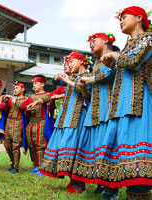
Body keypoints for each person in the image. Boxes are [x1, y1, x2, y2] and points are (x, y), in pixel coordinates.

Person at [97, 6, 152, 199]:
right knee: (117, 145)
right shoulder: (128, 45)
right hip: (121, 101)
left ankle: (137, 192)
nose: (120, 21)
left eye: (124, 17)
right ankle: (111, 191)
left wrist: (114, 55)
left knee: (135, 145)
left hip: (139, 101)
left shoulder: (149, 39)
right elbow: (123, 69)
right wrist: (111, 64)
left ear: (139, 18)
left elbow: (134, 61)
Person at [70, 33, 116, 199]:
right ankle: (101, 183)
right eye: (89, 43)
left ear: (106, 41)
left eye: (93, 41)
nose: (91, 44)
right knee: (95, 148)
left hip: (108, 110)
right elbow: (89, 96)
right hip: (94, 112)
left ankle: (111, 188)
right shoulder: (96, 63)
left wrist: (89, 80)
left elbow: (111, 74)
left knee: (108, 149)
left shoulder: (112, 58)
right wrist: (83, 87)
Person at [40, 51, 91, 194]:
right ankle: (72, 181)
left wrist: (68, 80)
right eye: (67, 63)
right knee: (64, 146)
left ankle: (79, 185)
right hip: (66, 116)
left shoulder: (87, 76)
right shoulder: (73, 77)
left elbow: (84, 91)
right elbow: (55, 82)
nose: (69, 65)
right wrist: (59, 77)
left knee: (74, 148)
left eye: (71, 61)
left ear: (81, 61)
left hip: (78, 116)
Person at [1, 82, 28, 174]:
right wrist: (5, 102)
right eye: (15, 88)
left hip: (18, 123)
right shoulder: (12, 100)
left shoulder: (26, 100)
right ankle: (13, 161)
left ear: (23, 89)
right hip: (9, 122)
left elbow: (22, 107)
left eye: (17, 88)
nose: (15, 90)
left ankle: (16, 166)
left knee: (15, 145)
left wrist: (13, 99)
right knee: (7, 144)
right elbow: (5, 110)